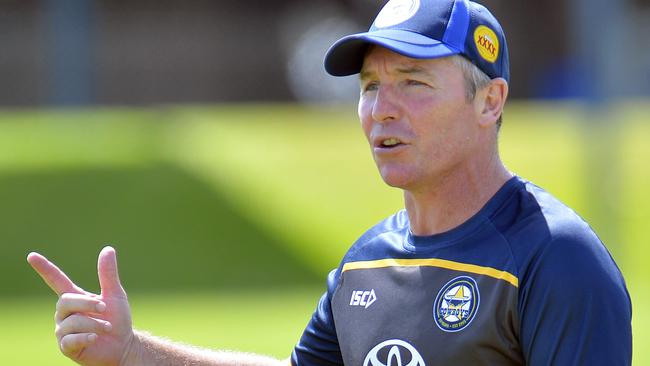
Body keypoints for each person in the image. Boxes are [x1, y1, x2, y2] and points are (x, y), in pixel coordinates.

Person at [28, 0, 632, 365]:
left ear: (489, 101)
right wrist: (133, 352)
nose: (381, 109)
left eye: (413, 83)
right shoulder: (367, 264)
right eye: (370, 86)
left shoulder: (555, 259)